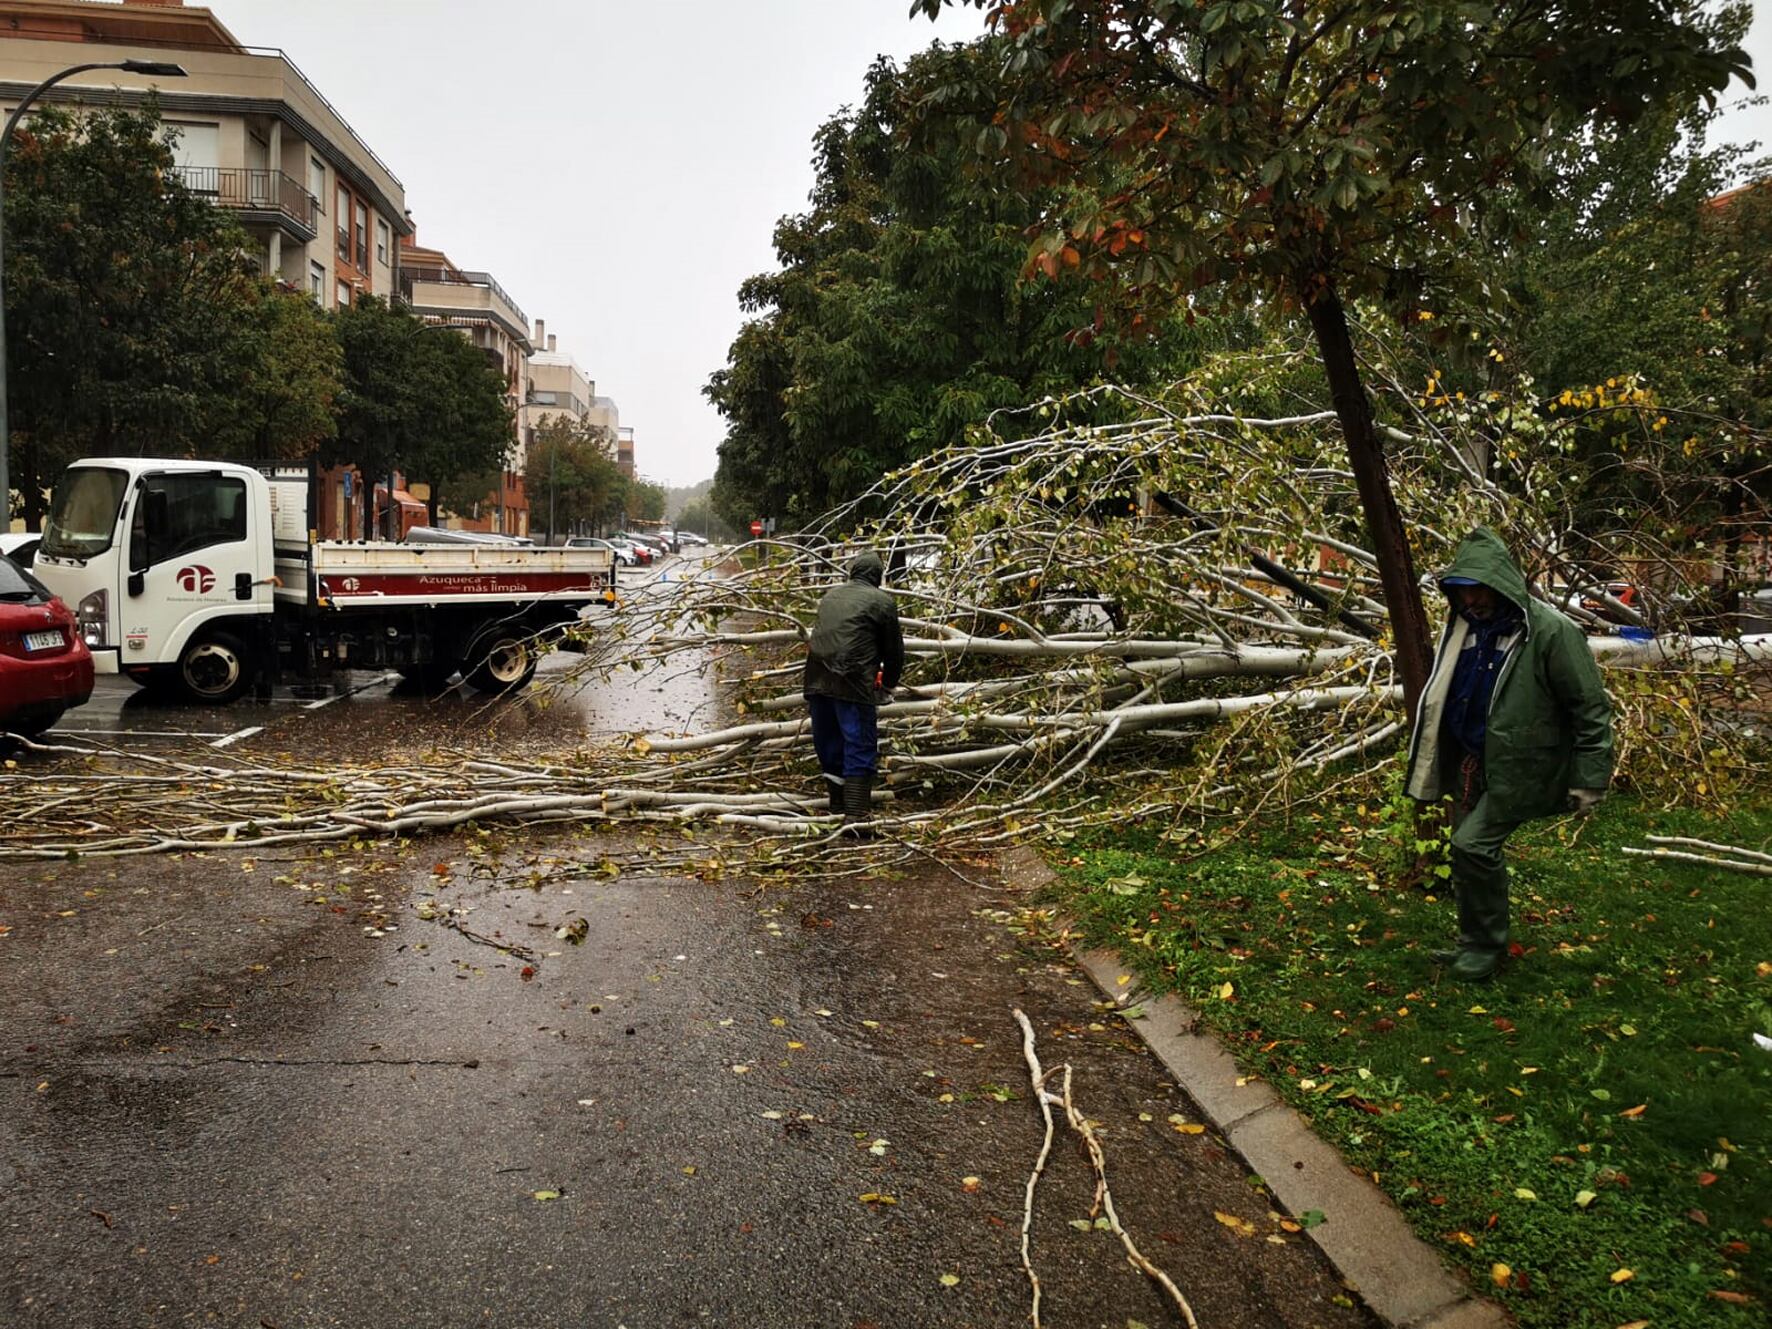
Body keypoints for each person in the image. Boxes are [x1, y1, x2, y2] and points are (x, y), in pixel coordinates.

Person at [1404, 528, 1614, 982]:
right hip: (1472, 764)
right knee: (1466, 854)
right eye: (1462, 592)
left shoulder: (1552, 633)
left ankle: (1485, 950)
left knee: (1470, 845)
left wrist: (1591, 776)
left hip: (1521, 768)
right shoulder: (1466, 630)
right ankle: (1474, 943)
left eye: (1479, 589)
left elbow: (1590, 707)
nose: (1471, 600)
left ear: (1500, 584)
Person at [804, 550, 904, 829]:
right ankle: (857, 814)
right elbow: (894, 651)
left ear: (852, 572)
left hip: (816, 680)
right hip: (853, 683)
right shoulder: (882, 602)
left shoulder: (830, 596)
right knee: (859, 742)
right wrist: (888, 685)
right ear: (878, 577)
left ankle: (837, 805)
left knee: (829, 742)